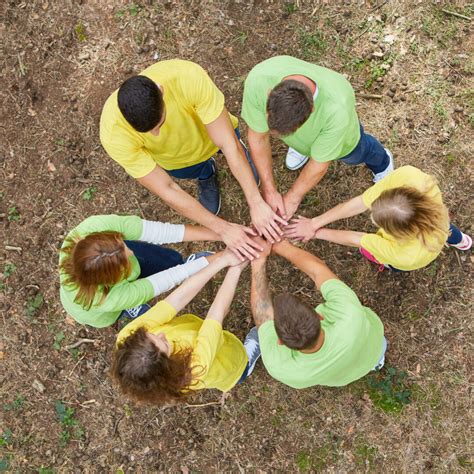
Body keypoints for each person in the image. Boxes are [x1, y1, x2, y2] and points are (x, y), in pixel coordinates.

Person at [100, 59, 287, 260]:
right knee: (197, 170)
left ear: (161, 91)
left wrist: (256, 201)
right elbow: (167, 189)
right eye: (148, 131)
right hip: (178, 162)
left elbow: (228, 145)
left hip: (214, 139)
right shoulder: (113, 134)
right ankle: (207, 173)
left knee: (235, 150)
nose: (155, 135)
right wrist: (222, 229)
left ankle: (226, 169)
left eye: (160, 124)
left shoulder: (188, 77)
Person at [241, 55, 394, 221]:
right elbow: (258, 138)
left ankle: (383, 163)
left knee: (358, 153)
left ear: (311, 111)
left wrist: (292, 198)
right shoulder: (259, 80)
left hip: (346, 141)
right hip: (312, 133)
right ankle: (303, 147)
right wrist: (269, 190)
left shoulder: (337, 111)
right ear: (270, 93)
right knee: (309, 145)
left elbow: (318, 165)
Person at [111, 249, 261, 405]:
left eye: (152, 335)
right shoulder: (194, 370)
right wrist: (235, 269)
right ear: (168, 367)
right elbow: (216, 315)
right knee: (238, 364)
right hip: (227, 364)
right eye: (165, 344)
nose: (162, 334)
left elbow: (175, 300)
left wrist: (222, 260)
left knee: (215, 335)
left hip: (197, 331)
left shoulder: (129, 336)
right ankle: (247, 364)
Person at [250, 237, 385, 389]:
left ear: (280, 341)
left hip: (339, 377)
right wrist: (282, 246)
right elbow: (317, 271)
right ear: (319, 316)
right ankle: (377, 360)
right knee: (377, 348)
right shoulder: (349, 314)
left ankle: (372, 362)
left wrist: (258, 261)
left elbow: (262, 313)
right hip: (372, 344)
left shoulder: (280, 367)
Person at [285, 166, 472, 271]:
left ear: (400, 234)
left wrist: (316, 232)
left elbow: (357, 240)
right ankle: (462, 241)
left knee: (372, 254)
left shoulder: (403, 254)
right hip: (440, 226)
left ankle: (385, 266)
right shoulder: (415, 179)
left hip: (408, 261)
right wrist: (313, 223)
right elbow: (360, 202)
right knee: (447, 230)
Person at [59, 214, 221, 328]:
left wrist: (220, 233)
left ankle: (182, 264)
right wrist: (220, 258)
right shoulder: (108, 299)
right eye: (124, 263)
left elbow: (161, 232)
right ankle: (129, 307)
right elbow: (166, 280)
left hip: (112, 273)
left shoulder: (90, 229)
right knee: (130, 299)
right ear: (112, 280)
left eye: (121, 243)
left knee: (169, 261)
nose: (130, 252)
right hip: (103, 310)